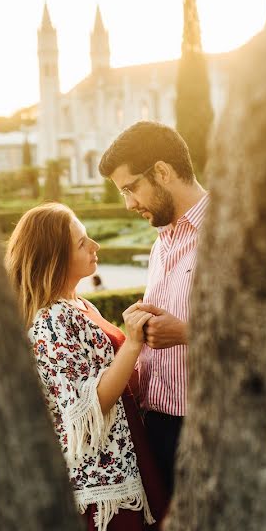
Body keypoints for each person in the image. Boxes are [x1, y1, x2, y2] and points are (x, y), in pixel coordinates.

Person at [5, 203, 168, 531]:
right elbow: (87, 408)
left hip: (130, 450)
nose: (95, 246)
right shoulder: (51, 320)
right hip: (99, 478)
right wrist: (134, 341)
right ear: (55, 257)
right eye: (82, 242)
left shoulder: (80, 304)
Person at [98, 121, 209, 496]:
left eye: (131, 188)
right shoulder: (161, 244)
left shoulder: (231, 232)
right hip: (157, 429)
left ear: (162, 171)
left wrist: (187, 333)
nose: (128, 203)